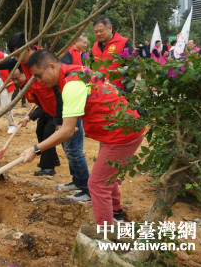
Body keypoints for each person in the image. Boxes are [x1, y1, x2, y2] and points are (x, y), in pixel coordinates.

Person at [22, 49, 145, 227]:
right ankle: (116, 213)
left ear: (51, 66)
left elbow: (67, 131)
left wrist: (35, 149)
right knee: (106, 176)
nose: (39, 81)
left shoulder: (72, 84)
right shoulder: (76, 70)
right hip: (118, 128)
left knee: (96, 185)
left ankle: (106, 236)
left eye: (39, 76)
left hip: (122, 133)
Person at [0, 32, 61, 177]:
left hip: (57, 106)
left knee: (51, 135)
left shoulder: (43, 59)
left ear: (28, 49)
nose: (17, 59)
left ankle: (48, 166)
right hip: (44, 105)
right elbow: (3, 63)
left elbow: (57, 86)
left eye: (18, 54)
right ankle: (52, 159)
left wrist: (60, 118)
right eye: (15, 55)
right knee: (40, 130)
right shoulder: (21, 62)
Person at [10, 66, 90, 200]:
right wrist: (29, 118)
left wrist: (35, 149)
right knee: (69, 150)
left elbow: (58, 105)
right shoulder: (34, 85)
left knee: (74, 151)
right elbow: (43, 105)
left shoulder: (67, 85)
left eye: (17, 78)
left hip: (68, 116)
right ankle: (77, 182)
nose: (41, 81)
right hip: (59, 116)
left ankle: (87, 190)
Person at [91, 17, 135, 92]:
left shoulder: (123, 43)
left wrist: (126, 92)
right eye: (96, 32)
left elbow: (132, 69)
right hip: (98, 90)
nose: (98, 34)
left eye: (101, 31)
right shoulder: (95, 46)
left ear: (110, 28)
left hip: (117, 91)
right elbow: (92, 67)